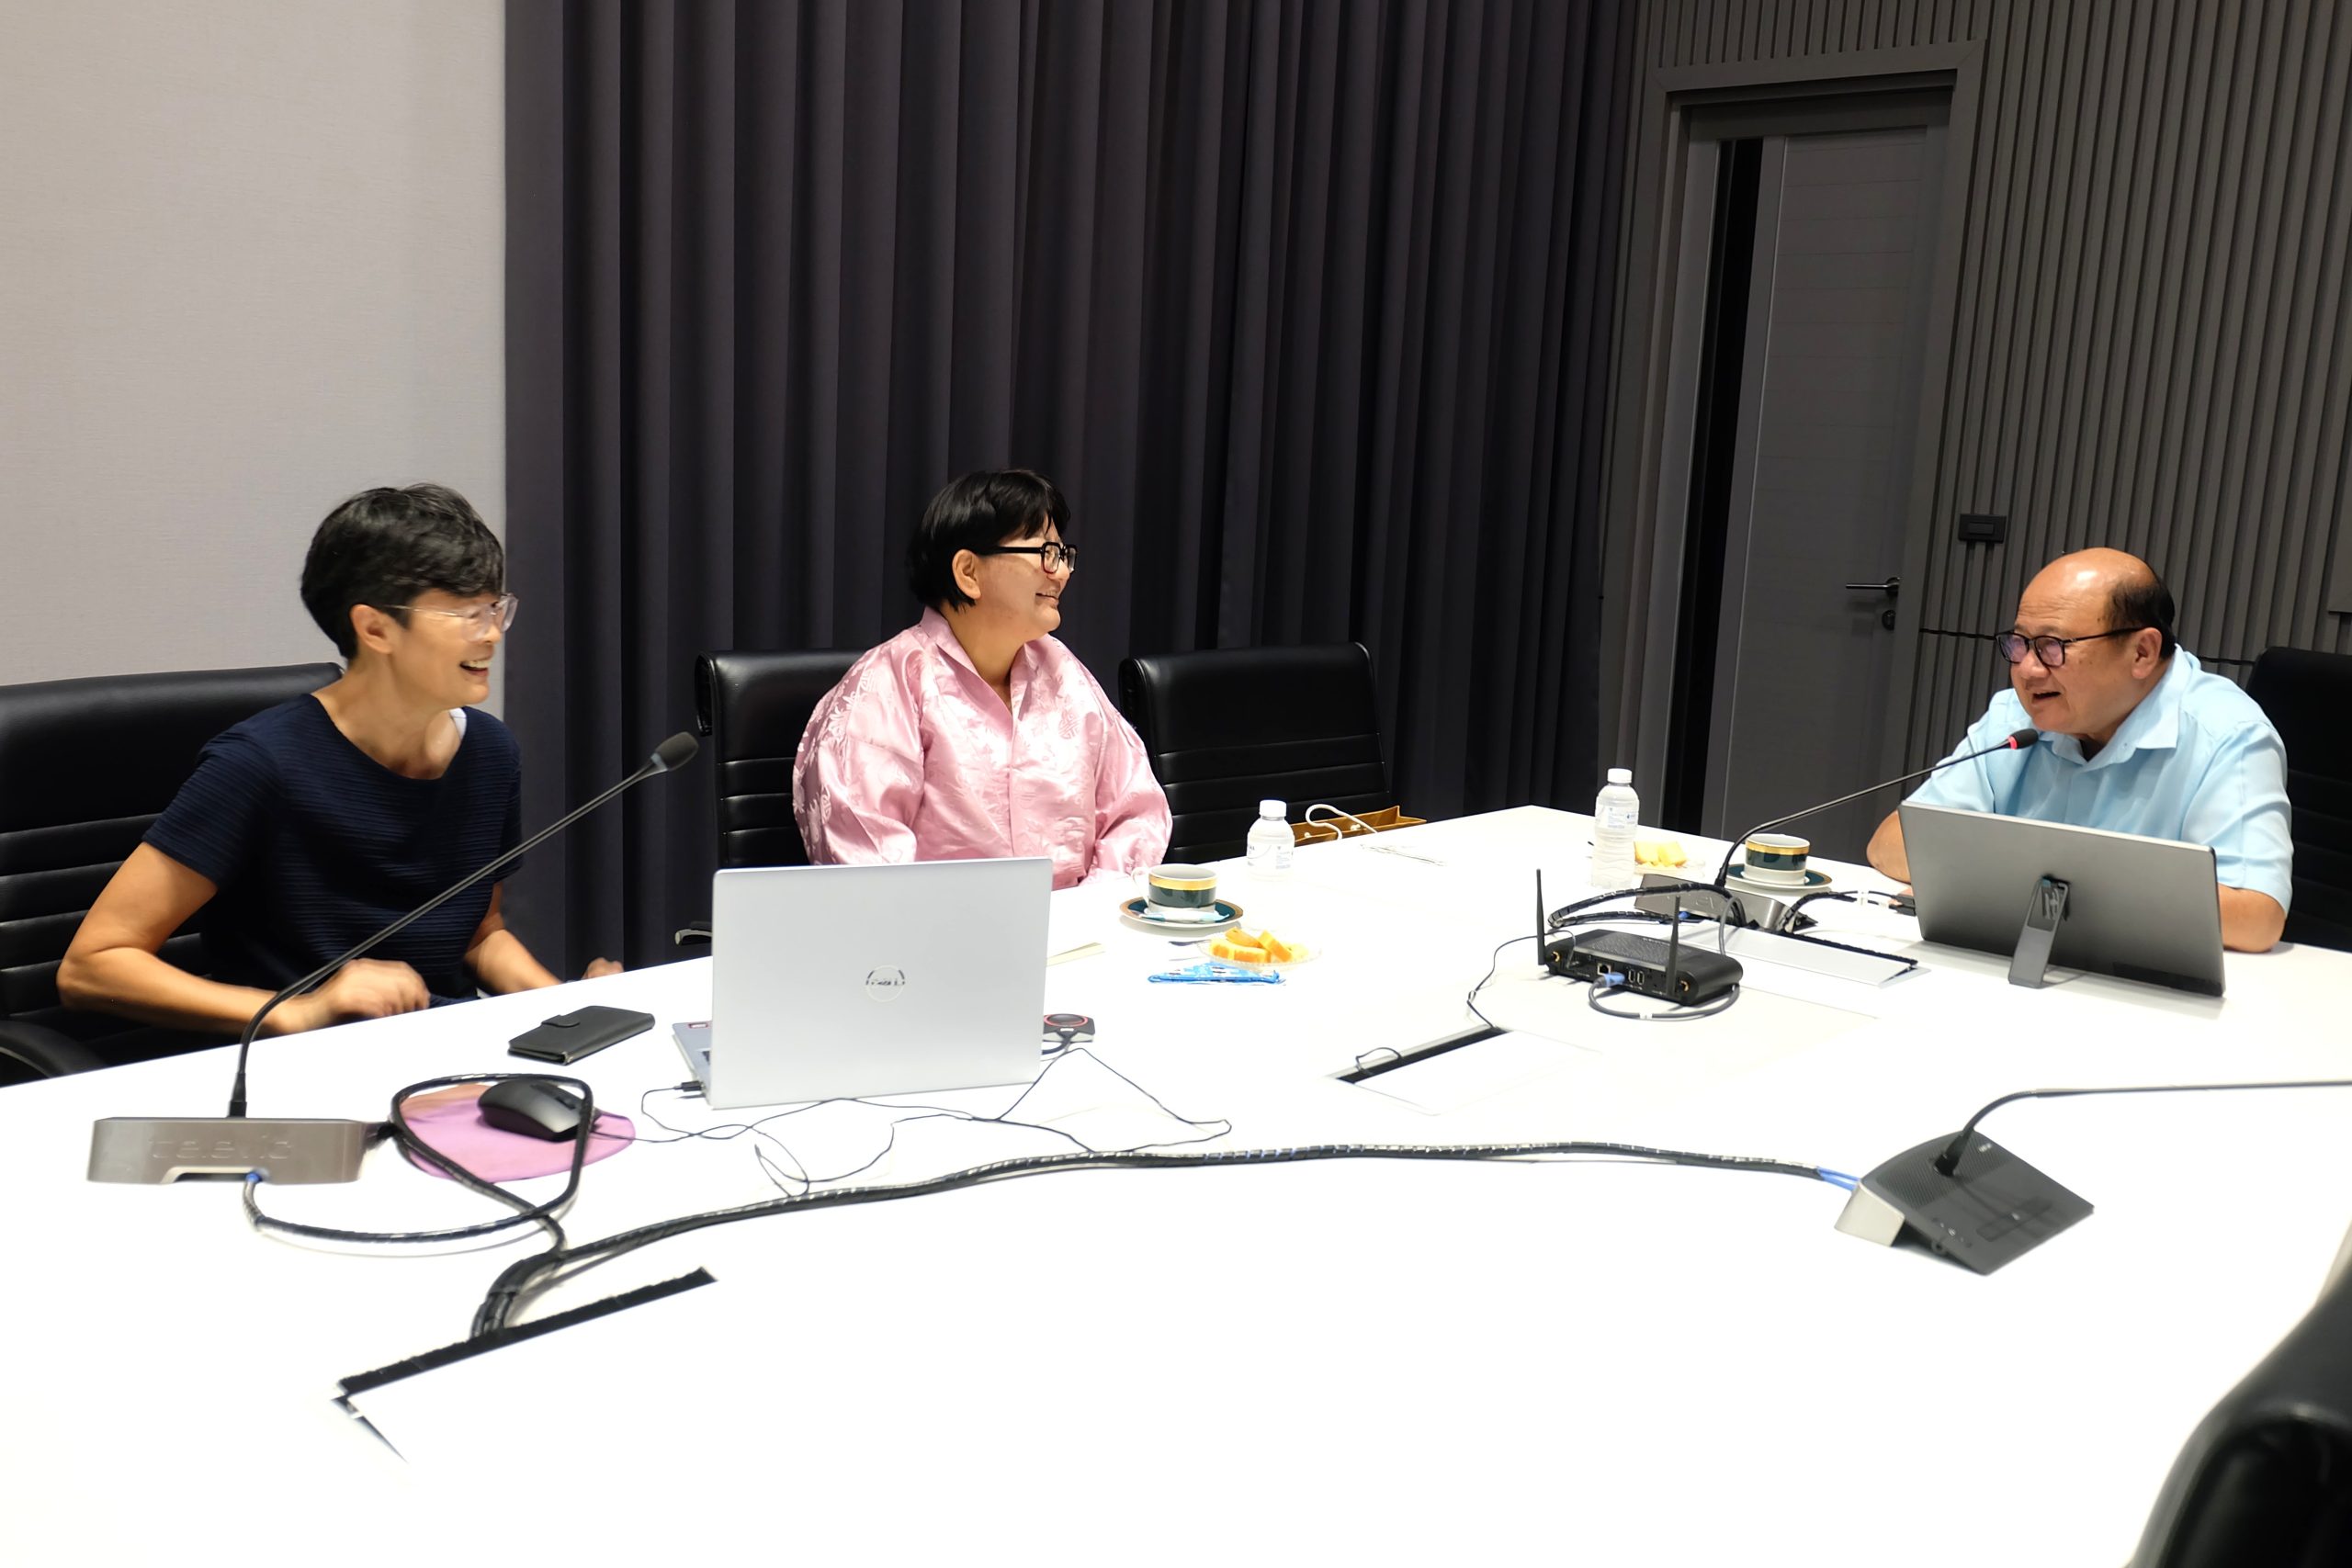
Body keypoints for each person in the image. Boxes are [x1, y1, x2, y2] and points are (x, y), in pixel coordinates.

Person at [58, 483, 615, 1038]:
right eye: (466, 613)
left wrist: (569, 1008)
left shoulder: (490, 752)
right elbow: (92, 964)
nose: (492, 633)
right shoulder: (260, 764)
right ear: (375, 628)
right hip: (301, 1061)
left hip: (442, 1046)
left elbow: (478, 935)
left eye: (495, 608)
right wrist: (300, 1010)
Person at [1864, 547, 2290, 953]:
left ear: (2142, 652)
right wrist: (2059, 892)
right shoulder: (2015, 718)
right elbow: (1891, 843)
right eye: (2019, 643)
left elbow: (2256, 916)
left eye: (2053, 647)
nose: (2028, 670)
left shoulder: (2227, 734)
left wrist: (2004, 883)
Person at [794, 468, 1171, 889]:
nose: (1062, 572)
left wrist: (1088, 908)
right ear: (968, 572)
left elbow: (1136, 808)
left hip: (1079, 924)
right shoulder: (888, 684)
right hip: (941, 927)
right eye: (1045, 551)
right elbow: (866, 858)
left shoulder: (1063, 671)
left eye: (1063, 554)